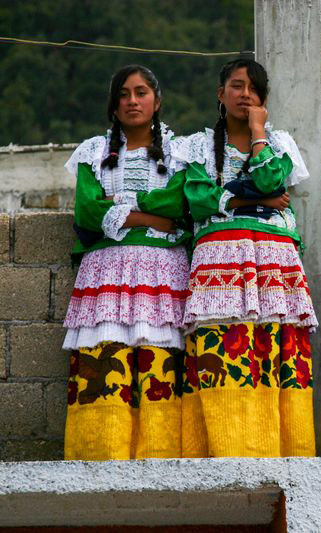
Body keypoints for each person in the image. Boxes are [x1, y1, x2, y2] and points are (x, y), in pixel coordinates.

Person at [175, 58, 316, 458]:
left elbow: (274, 179)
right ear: (220, 94)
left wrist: (257, 134)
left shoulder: (279, 142)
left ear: (264, 100)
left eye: (254, 89)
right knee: (222, 350)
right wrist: (252, 197)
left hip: (274, 260)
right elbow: (197, 199)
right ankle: (222, 450)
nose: (245, 95)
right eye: (237, 86)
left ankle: (283, 453)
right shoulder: (199, 145)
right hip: (218, 259)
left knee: (274, 348)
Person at [63, 65, 190, 460]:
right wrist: (146, 218)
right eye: (123, 94)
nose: (132, 101)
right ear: (114, 104)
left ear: (157, 100)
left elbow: (180, 201)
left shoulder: (181, 151)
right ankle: (100, 456)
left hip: (163, 270)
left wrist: (118, 207)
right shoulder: (93, 151)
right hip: (106, 272)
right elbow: (86, 209)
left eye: (140, 92)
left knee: (159, 358)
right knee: (107, 357)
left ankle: (162, 456)